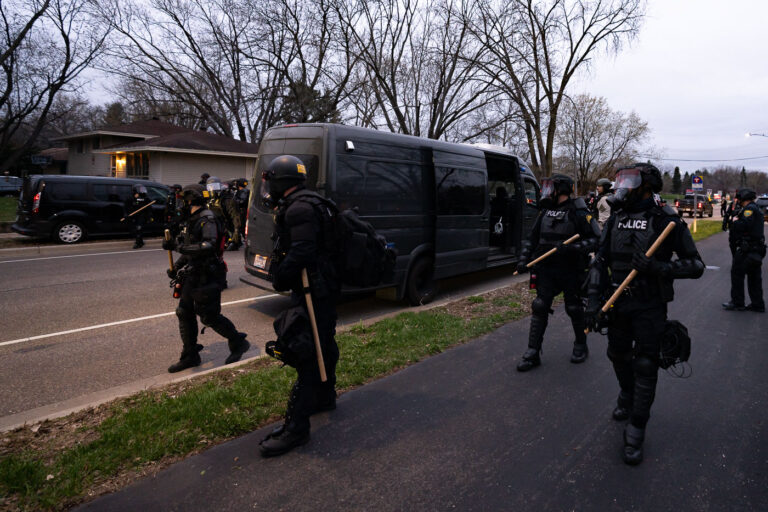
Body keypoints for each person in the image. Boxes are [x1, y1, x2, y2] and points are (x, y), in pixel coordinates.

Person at [585, 163, 704, 465]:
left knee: (646, 363)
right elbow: (599, 260)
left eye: (629, 181)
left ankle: (637, 426)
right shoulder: (616, 217)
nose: (621, 187)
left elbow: (696, 265)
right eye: (620, 181)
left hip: (650, 304)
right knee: (617, 354)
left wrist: (659, 267)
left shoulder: (666, 219)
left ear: (646, 186)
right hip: (618, 302)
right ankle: (626, 395)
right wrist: (593, 303)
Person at [258, 155, 340, 457]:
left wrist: (281, 276)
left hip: (312, 290)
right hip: (324, 288)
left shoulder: (300, 208)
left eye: (271, 181)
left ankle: (297, 428)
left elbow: (303, 251)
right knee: (325, 344)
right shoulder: (314, 202)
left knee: (308, 351)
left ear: (281, 182)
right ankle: (325, 395)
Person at [515, 174, 600, 371]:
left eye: (550, 187)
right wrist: (523, 260)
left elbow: (597, 239)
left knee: (574, 308)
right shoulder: (544, 212)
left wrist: (573, 248)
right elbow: (532, 239)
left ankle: (581, 345)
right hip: (546, 269)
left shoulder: (579, 212)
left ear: (561, 190)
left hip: (571, 269)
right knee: (540, 306)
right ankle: (532, 352)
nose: (546, 191)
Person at [163, 184, 251, 373]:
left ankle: (238, 342)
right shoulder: (191, 219)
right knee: (184, 313)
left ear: (191, 201)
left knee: (209, 316)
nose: (181, 205)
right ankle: (190, 355)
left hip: (207, 275)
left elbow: (207, 246)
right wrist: (176, 266)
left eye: (183, 201)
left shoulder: (207, 219)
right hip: (192, 274)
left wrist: (177, 248)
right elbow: (189, 248)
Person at [722, 188, 765, 312]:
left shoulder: (749, 210)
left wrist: (734, 221)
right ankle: (757, 304)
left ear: (744, 198)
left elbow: (745, 225)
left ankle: (737, 302)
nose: (738, 200)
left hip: (748, 249)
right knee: (754, 277)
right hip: (756, 248)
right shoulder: (755, 208)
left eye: (739, 198)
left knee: (737, 274)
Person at [205, 176, 242, 252]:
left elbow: (236, 217)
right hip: (215, 225)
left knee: (230, 247)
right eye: (210, 187)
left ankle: (234, 241)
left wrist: (235, 236)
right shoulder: (208, 200)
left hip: (227, 226)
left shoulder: (227, 199)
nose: (212, 189)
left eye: (214, 186)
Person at [124, 184, 152, 249]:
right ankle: (140, 241)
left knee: (139, 229)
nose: (142, 191)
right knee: (134, 230)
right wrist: (126, 214)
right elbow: (126, 207)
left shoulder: (145, 198)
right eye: (140, 189)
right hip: (133, 216)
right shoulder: (130, 198)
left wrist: (149, 217)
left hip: (141, 216)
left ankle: (138, 243)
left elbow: (149, 208)